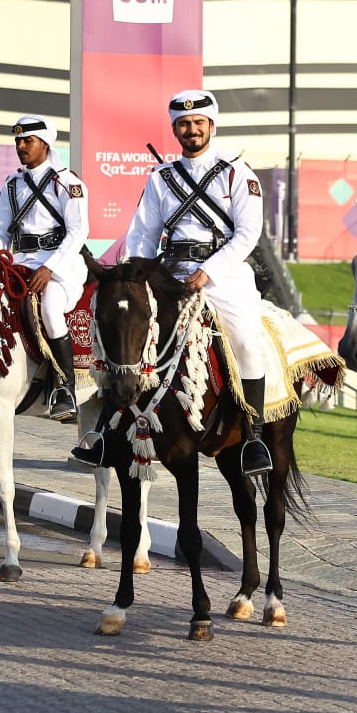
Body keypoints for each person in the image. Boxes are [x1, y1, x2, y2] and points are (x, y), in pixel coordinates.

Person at [98, 89, 270, 476]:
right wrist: (136, 276)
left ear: (211, 125)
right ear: (174, 128)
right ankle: (109, 430)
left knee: (245, 341)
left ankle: (254, 438)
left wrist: (210, 270)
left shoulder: (236, 173)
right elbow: (143, 233)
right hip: (168, 271)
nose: (191, 130)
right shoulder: (161, 177)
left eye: (198, 123)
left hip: (223, 274)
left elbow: (248, 232)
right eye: (183, 124)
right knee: (129, 334)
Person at [0, 115, 87, 422]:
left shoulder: (67, 183)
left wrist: (50, 268)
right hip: (20, 262)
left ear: (45, 143)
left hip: (63, 263)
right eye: (18, 140)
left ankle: (66, 387)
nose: (21, 146)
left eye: (27, 140)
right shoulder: (12, 184)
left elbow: (78, 231)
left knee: (51, 309)